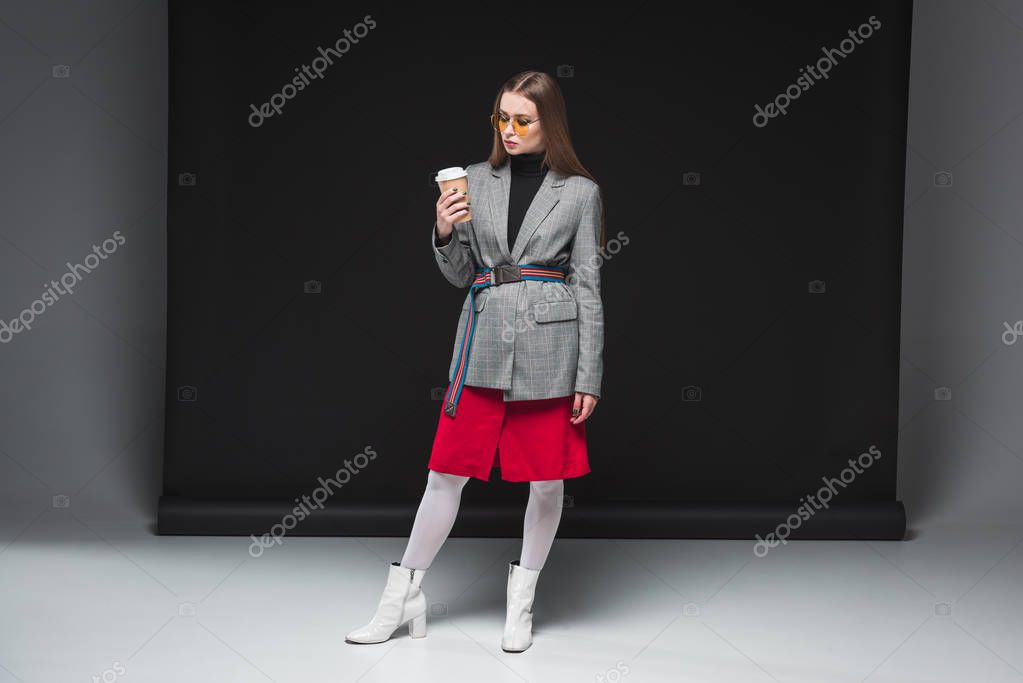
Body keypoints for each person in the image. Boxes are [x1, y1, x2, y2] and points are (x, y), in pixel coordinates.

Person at [346, 69, 606, 653]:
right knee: (445, 474)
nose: (509, 130)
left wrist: (589, 374)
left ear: (549, 123)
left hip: (550, 349)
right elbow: (463, 273)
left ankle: (522, 602)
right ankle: (401, 598)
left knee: (546, 482)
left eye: (523, 120)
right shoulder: (474, 179)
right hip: (484, 339)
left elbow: (588, 285)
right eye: (501, 118)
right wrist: (443, 229)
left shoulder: (580, 192)